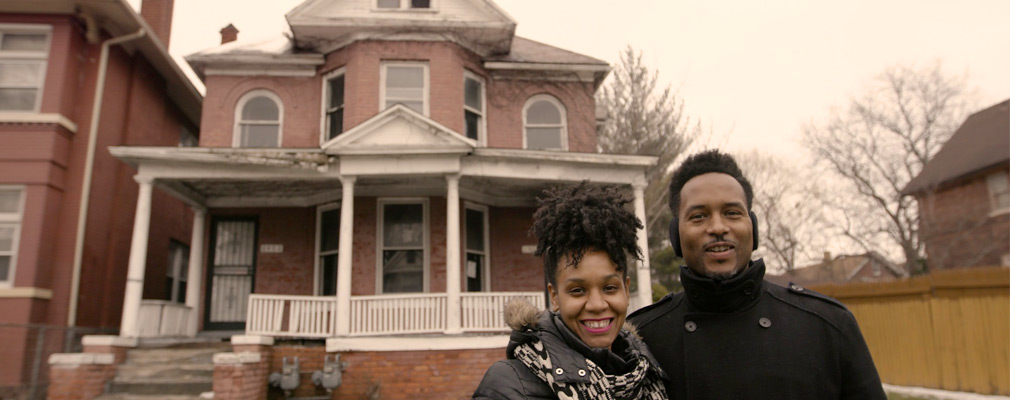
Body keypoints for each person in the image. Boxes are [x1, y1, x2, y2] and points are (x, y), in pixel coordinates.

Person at [628, 149, 887, 399]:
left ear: (753, 227)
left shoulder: (828, 327)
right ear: (675, 235)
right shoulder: (643, 340)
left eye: (732, 213)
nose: (718, 227)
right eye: (699, 216)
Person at [472, 182, 668, 400]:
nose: (597, 304)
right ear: (554, 297)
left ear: (626, 289)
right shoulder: (508, 386)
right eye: (577, 290)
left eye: (610, 288)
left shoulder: (649, 374)